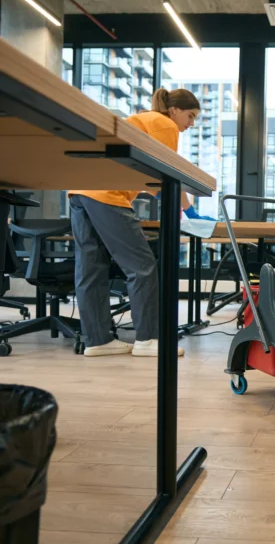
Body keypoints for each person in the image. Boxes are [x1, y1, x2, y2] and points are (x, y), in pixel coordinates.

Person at [69, 87, 203, 358]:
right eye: (190, 116)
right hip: (106, 194)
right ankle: (148, 339)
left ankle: (98, 340)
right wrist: (191, 213)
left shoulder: (142, 120)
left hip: (79, 190)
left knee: (91, 268)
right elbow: (168, 176)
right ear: (174, 110)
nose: (191, 124)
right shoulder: (164, 124)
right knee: (142, 266)